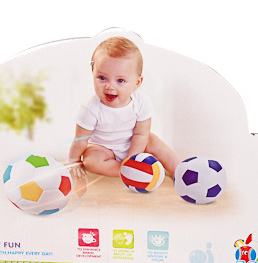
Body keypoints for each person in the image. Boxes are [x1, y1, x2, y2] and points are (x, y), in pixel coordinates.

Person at [69, 37, 179, 191]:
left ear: (137, 83)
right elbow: (81, 139)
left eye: (120, 80)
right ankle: (127, 171)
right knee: (91, 160)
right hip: (103, 147)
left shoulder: (142, 102)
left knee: (153, 141)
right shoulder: (90, 108)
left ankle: (178, 171)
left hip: (133, 142)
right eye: (102, 78)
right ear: (92, 74)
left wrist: (132, 158)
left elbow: (141, 134)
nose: (109, 86)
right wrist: (73, 160)